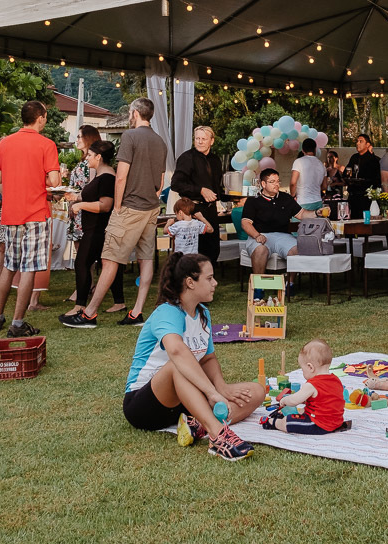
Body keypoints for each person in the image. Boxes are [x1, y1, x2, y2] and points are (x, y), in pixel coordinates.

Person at [122, 253, 265, 461]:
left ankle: (195, 424)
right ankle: (217, 435)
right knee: (176, 366)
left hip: (183, 402)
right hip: (143, 406)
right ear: (190, 282)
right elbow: (177, 352)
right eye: (209, 278)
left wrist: (222, 387)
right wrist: (211, 393)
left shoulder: (203, 313)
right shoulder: (168, 312)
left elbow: (208, 359)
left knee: (256, 391)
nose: (215, 283)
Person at [66, 97, 167, 329]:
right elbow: (160, 181)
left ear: (134, 113)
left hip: (130, 206)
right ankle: (138, 312)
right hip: (152, 207)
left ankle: (89, 313)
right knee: (146, 259)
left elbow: (120, 176)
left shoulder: (130, 137)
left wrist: (118, 206)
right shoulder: (160, 141)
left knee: (110, 258)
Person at [0, 101, 61, 338]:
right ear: (40, 118)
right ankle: (17, 323)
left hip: (11, 212)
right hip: (36, 212)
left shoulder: (5, 143)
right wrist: (44, 181)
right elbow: (55, 181)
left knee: (9, 264)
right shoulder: (47, 144)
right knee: (29, 268)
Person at [58, 140, 119, 323]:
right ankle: (107, 302)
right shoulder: (100, 175)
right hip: (92, 228)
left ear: (99, 157)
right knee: (89, 263)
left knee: (82, 263)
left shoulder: (107, 177)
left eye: (90, 155)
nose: (87, 158)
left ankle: (80, 306)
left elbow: (105, 205)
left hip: (98, 229)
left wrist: (80, 205)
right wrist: (76, 197)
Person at [260, 339, 352, 434]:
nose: (303, 373)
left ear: (310, 367)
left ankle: (272, 423)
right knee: (300, 412)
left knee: (288, 421)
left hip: (319, 424)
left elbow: (294, 401)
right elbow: (326, 399)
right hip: (336, 422)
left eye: (303, 370)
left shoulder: (312, 384)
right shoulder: (336, 380)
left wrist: (284, 400)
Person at [240, 168, 319, 274]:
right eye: (272, 182)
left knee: (296, 250)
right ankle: (259, 287)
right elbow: (245, 223)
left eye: (278, 181)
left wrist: (317, 213)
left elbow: (301, 214)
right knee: (260, 250)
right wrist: (257, 235)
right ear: (263, 184)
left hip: (283, 236)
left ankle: (289, 284)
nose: (276, 184)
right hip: (259, 235)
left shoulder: (286, 198)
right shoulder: (253, 200)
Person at [170, 125, 225, 264]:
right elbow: (176, 184)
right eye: (197, 138)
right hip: (192, 210)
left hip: (211, 210)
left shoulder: (216, 160)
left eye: (204, 139)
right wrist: (200, 190)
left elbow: (217, 186)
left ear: (211, 141)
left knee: (212, 250)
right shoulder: (186, 158)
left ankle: (207, 281)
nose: (200, 142)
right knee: (193, 253)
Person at [343, 133, 381, 208]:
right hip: (353, 194)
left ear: (367, 144)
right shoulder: (354, 157)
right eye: (357, 141)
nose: (357, 143)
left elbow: (375, 179)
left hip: (366, 196)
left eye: (361, 141)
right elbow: (346, 172)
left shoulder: (373, 159)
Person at [289, 138, 326, 211]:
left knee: (299, 223)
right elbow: (324, 186)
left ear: (302, 150)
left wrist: (292, 196)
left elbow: (293, 183)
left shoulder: (298, 162)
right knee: (316, 222)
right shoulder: (321, 165)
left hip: (303, 202)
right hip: (318, 202)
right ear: (315, 149)